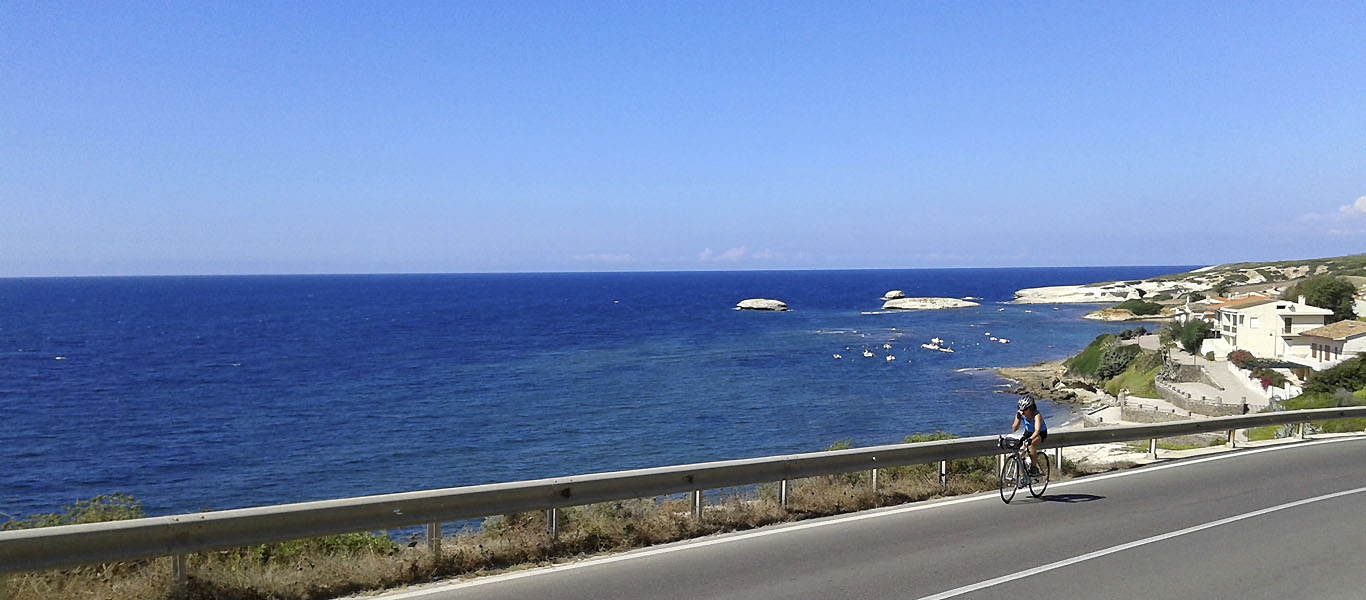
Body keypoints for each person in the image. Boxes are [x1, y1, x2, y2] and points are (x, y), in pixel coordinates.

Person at [1011, 396, 1047, 476]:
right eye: (1020, 409)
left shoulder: (1037, 415)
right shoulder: (1020, 414)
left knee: (1031, 444)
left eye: (1025, 410)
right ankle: (1022, 476)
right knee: (1020, 454)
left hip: (1040, 433)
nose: (1022, 412)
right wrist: (1018, 419)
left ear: (1031, 409)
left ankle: (1034, 468)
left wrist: (1030, 439)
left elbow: (1037, 431)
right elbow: (1014, 429)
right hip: (1028, 432)